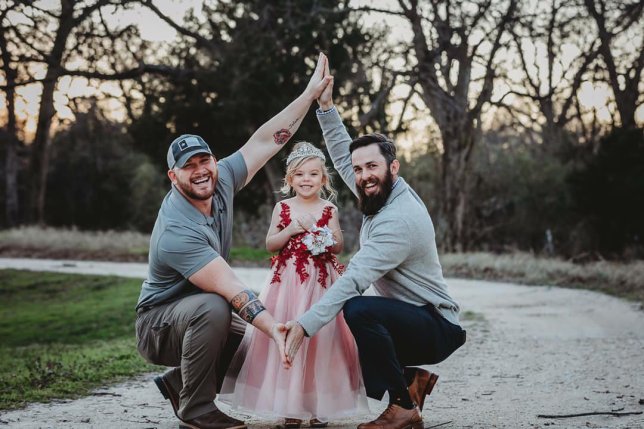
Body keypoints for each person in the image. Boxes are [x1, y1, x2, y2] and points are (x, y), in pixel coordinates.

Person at [135, 54, 332, 429]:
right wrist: (275, 328)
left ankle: (180, 381)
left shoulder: (222, 177)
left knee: (257, 349)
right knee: (219, 309)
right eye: (189, 166)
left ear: (213, 161)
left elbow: (267, 140)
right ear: (173, 176)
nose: (200, 171)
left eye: (204, 160)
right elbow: (232, 289)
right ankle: (195, 409)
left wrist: (309, 95)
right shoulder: (177, 229)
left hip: (199, 316)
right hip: (159, 325)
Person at [284, 61, 467, 429]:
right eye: (359, 169)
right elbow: (342, 155)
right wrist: (326, 107)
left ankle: (402, 408)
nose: (364, 176)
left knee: (356, 312)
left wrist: (303, 325)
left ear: (393, 167)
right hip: (413, 315)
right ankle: (411, 381)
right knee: (344, 325)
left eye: (372, 167)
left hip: (436, 325)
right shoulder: (378, 191)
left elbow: (354, 279)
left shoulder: (398, 219)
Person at [220, 142, 369, 428]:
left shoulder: (329, 209)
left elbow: (338, 246)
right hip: (288, 283)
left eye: (313, 174)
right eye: (299, 174)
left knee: (321, 341)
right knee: (287, 336)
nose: (306, 180)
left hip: (321, 283)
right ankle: (289, 406)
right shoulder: (283, 207)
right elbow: (270, 244)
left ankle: (316, 407)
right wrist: (291, 230)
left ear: (323, 179)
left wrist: (322, 235)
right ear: (290, 179)